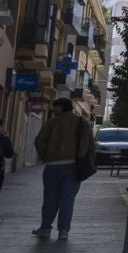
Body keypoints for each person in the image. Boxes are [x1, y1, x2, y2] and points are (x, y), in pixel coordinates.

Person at [33, 98, 93, 240]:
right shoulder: (82, 123)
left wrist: (45, 156)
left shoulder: (52, 123)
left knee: (50, 198)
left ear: (61, 107)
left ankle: (45, 228)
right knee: (67, 198)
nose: (53, 109)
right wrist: (86, 159)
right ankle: (64, 230)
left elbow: (39, 141)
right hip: (73, 166)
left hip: (52, 166)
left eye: (55, 107)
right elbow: (90, 145)